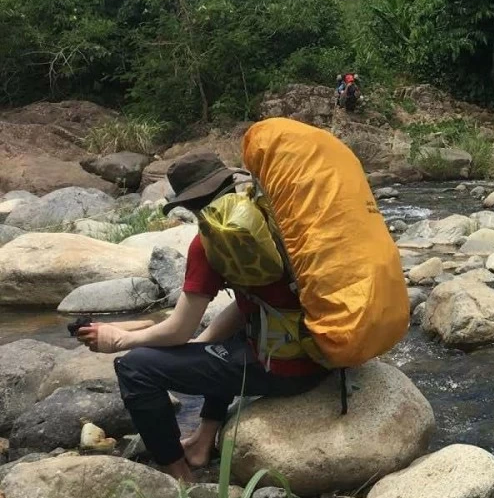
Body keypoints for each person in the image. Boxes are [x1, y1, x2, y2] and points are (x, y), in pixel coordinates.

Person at [75, 152, 330, 481]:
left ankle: (179, 474)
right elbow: (255, 304)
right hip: (324, 352)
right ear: (230, 183)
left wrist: (121, 339)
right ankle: (203, 441)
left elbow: (179, 330)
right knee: (215, 341)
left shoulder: (212, 241)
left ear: (191, 203)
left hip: (287, 369)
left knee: (135, 368)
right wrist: (202, 345)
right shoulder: (273, 219)